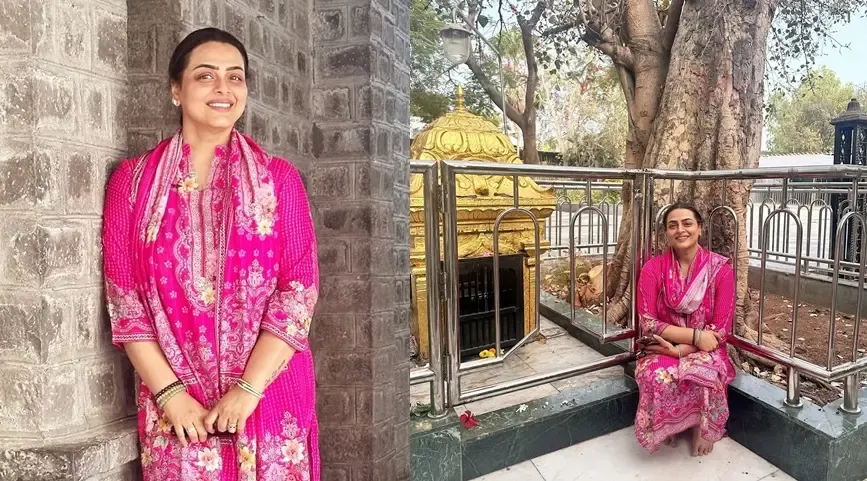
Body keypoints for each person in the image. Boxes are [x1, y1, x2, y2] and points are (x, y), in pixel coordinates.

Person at [102, 27, 320, 480]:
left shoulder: (279, 181)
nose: (223, 88)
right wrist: (170, 395)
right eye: (205, 76)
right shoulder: (133, 183)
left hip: (266, 397)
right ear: (176, 90)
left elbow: (297, 294)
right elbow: (125, 304)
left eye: (235, 77)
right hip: (179, 411)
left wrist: (246, 390)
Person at [633, 203, 736, 457]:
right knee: (656, 374)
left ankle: (700, 427)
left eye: (687, 223)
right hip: (661, 344)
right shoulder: (652, 269)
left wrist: (683, 349)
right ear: (666, 233)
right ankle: (668, 422)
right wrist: (694, 337)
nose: (681, 230)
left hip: (703, 348)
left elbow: (721, 329)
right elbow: (648, 322)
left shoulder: (720, 270)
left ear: (699, 228)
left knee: (703, 371)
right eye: (673, 225)